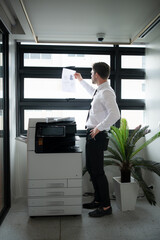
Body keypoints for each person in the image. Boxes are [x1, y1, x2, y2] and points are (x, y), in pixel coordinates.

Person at [74, 62, 120, 217]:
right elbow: (92, 92)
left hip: (97, 135)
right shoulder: (100, 90)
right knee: (92, 169)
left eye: (91, 72)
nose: (90, 74)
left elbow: (115, 114)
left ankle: (106, 206)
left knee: (98, 172)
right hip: (92, 135)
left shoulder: (107, 92)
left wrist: (99, 127)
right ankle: (98, 200)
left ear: (97, 75)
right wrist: (80, 80)